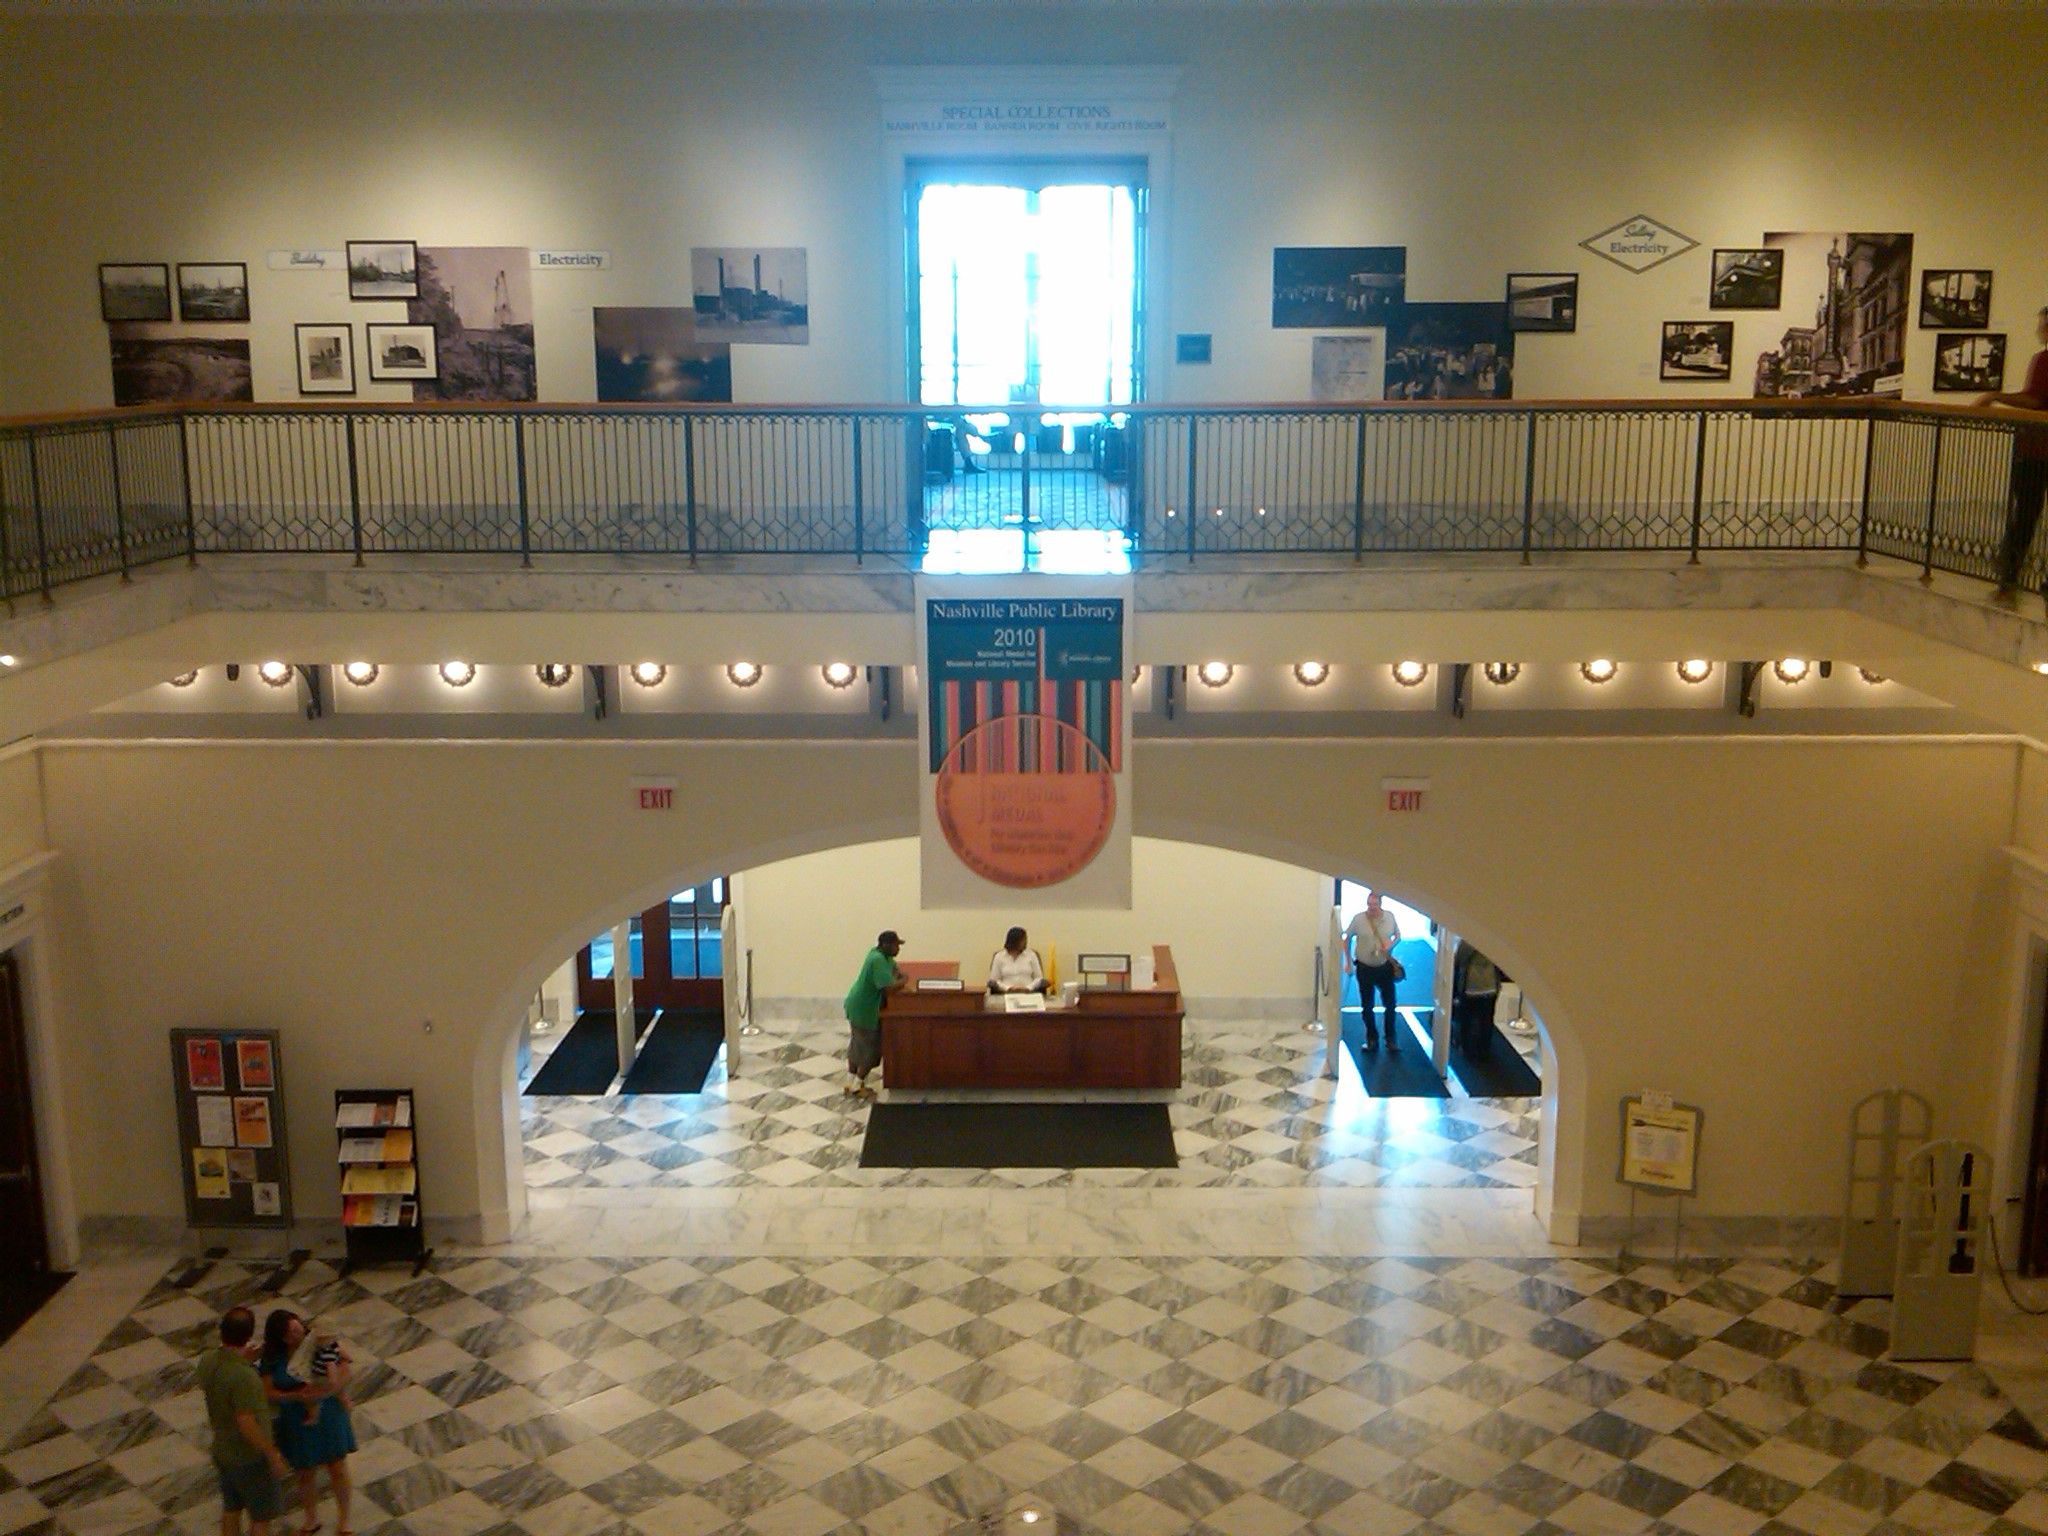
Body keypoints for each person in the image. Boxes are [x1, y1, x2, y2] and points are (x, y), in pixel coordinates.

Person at [197, 1305, 293, 1536]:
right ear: (249, 1336)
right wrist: (271, 1454)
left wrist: (244, 1359)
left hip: (223, 1449)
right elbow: (246, 1421)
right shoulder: (244, 1376)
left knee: (231, 1508)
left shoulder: (208, 1360)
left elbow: (223, 1379)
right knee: (261, 1518)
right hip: (249, 1457)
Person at [258, 1309, 355, 1536]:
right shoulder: (272, 1356)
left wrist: (329, 1391)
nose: (298, 1334)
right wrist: (296, 1396)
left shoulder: (319, 1340)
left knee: (337, 1467)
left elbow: (345, 1369)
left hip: (328, 1410)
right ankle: (311, 1519)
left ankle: (344, 1520)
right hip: (296, 1416)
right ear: (281, 1337)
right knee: (305, 1471)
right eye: (291, 1332)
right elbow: (267, 1392)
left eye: (298, 1327)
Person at [1984, 305, 2048, 603]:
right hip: (2037, 447)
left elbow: (2034, 400)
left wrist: (1995, 396)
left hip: (2036, 448)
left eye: (2043, 326)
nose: (2039, 331)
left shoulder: (2044, 360)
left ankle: (2009, 571)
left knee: (2025, 513)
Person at [842, 928, 906, 1098]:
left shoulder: (879, 955)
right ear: (886, 945)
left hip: (856, 1006)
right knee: (871, 1049)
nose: (898, 949)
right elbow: (888, 989)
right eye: (896, 945)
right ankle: (857, 1086)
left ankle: (850, 1082)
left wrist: (898, 974)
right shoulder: (877, 959)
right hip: (865, 1009)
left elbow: (894, 969)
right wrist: (904, 980)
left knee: (858, 1044)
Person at [1343, 890, 1402, 1051]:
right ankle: (1371, 1039)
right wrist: (1348, 961)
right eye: (1369, 904)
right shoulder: (1359, 919)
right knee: (1367, 1005)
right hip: (1364, 967)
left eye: (1375, 905)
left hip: (1384, 966)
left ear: (1380, 904)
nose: (1372, 908)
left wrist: (1390, 945)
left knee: (1390, 1004)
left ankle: (1390, 1039)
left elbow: (1398, 936)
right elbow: (1346, 939)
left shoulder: (1389, 917)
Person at [1452, 939, 1505, 1058]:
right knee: (1486, 1020)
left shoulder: (1468, 940)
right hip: (1490, 987)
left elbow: (1459, 960)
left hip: (1470, 986)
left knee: (1466, 1019)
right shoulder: (1496, 942)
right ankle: (1484, 1049)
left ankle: (1466, 1048)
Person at [987, 927, 1048, 994]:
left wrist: (1028, 988)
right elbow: (995, 981)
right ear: (1014, 941)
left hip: (1029, 994)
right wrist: (1008, 988)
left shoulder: (1031, 955)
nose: (1026, 942)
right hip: (1005, 994)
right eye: (1023, 940)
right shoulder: (999, 957)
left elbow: (1038, 979)